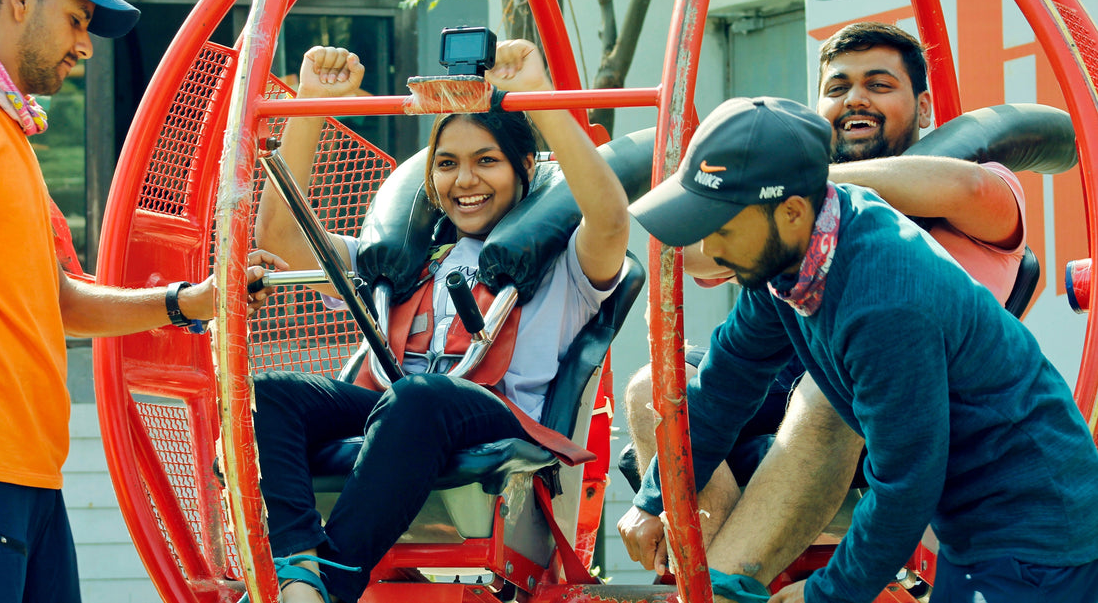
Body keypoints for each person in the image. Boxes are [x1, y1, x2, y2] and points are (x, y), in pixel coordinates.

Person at [619, 95, 1098, 603]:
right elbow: (725, 385)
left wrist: (826, 593)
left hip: (1036, 534)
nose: (709, 248)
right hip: (977, 528)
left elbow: (905, 484)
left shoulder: (883, 299)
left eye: (723, 227)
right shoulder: (794, 255)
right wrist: (656, 499)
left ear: (791, 212)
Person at [250, 39, 630, 603]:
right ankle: (298, 570)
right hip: (400, 411)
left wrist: (541, 101)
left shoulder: (564, 265)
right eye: (447, 164)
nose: (465, 181)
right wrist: (310, 108)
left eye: (486, 161)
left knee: (420, 396)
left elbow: (609, 218)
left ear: (526, 167)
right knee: (270, 394)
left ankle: (331, 585)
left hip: (490, 415)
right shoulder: (401, 264)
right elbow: (281, 241)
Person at [0, 0, 280, 603]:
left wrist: (195, 299)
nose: (83, 45)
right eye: (75, 19)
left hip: (35, 476)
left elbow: (61, 300)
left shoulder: (16, 140)